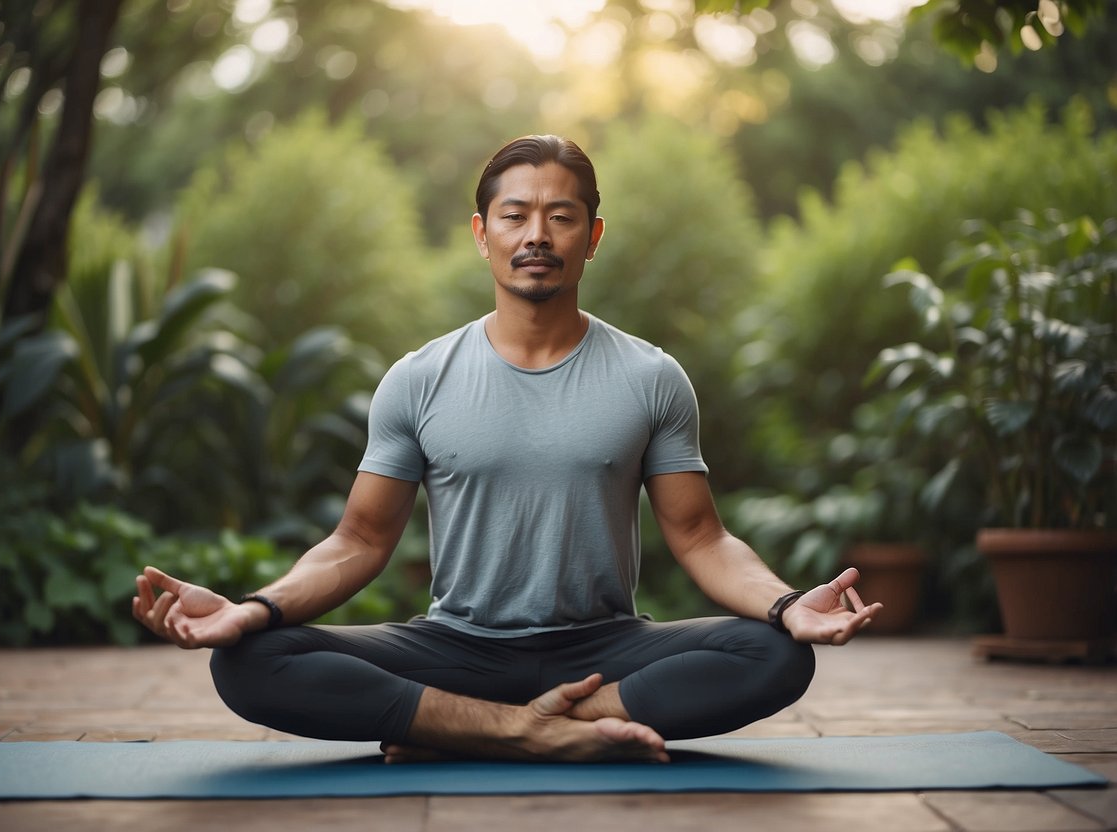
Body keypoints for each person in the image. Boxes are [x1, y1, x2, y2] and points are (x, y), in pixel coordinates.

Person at [133, 134, 881, 764]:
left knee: (777, 655)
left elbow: (699, 536)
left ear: (591, 236)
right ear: (480, 232)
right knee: (250, 663)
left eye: (560, 218)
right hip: (454, 646)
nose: (536, 237)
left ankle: (465, 728)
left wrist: (786, 608)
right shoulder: (418, 378)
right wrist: (253, 611)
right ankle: (527, 728)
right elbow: (358, 540)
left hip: (604, 649)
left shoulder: (651, 376)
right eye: (515, 215)